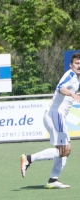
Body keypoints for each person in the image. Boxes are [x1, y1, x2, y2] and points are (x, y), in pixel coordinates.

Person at [20, 52, 80, 188]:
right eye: (77, 63)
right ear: (71, 65)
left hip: (56, 116)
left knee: (64, 150)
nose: (79, 66)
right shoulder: (70, 75)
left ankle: (53, 180)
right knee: (65, 151)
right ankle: (29, 158)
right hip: (55, 115)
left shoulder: (77, 78)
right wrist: (72, 94)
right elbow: (60, 88)